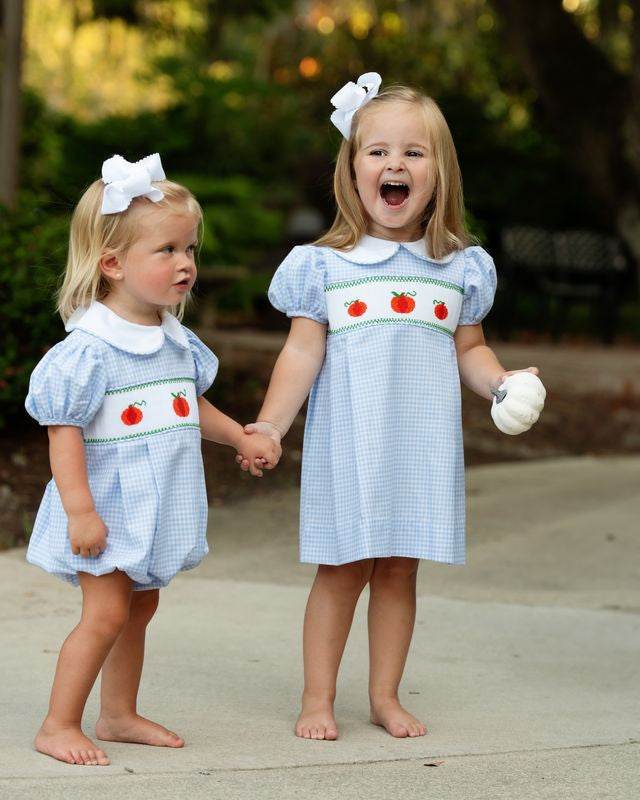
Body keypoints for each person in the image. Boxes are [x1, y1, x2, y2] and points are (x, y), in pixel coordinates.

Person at [242, 73, 543, 740]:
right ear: (352, 171)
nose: (394, 164)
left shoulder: (459, 267)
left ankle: (384, 696)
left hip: (420, 441)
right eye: (377, 152)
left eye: (414, 152)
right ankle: (317, 697)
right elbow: (300, 355)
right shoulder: (326, 266)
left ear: (440, 172)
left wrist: (502, 383)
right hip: (350, 440)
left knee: (401, 566)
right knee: (344, 566)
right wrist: (269, 424)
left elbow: (470, 349)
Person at [25, 153, 281, 766]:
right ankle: (59, 724)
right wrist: (79, 512)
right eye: (166, 250)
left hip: (151, 506)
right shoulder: (90, 351)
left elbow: (190, 406)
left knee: (140, 606)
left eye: (189, 248)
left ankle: (117, 714)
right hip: (106, 509)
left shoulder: (173, 339)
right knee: (106, 611)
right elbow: (63, 436)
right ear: (112, 264)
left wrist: (241, 438)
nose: (185, 263)